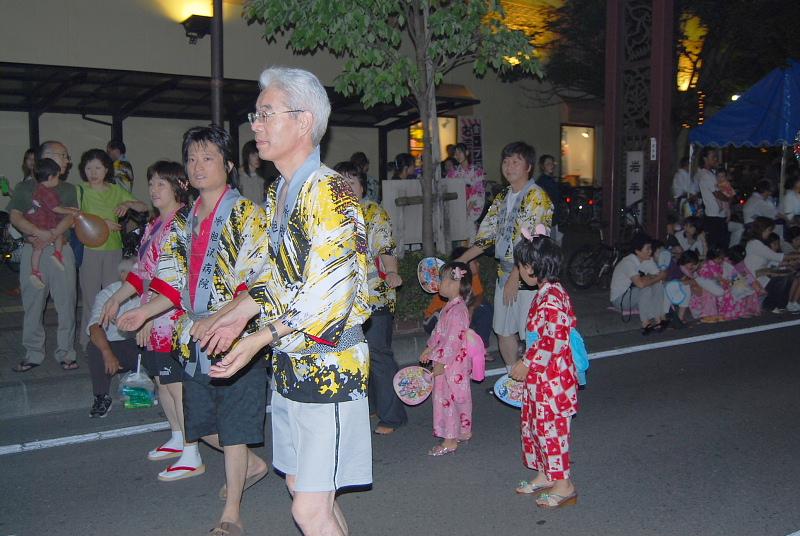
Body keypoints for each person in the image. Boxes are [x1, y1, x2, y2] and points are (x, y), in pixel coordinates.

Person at [188, 67, 372, 536]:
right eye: (256, 114)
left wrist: (257, 340)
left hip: (329, 365)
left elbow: (328, 295)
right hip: (291, 362)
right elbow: (278, 276)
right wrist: (236, 317)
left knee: (308, 509)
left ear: (304, 121)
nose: (256, 125)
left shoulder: (331, 192)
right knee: (302, 488)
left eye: (267, 113)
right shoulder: (280, 191)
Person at [117, 125, 271, 536]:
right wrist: (144, 312)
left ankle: (232, 514)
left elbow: (256, 281)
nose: (198, 166)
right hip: (195, 336)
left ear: (228, 165)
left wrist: (221, 318)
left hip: (237, 336)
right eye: (192, 159)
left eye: (208, 158)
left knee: (234, 428)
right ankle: (252, 465)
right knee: (201, 425)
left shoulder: (248, 214)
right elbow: (171, 281)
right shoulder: (184, 221)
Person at [99, 160, 203, 481]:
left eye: (161, 183)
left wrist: (146, 315)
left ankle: (192, 452)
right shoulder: (156, 224)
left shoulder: (181, 224)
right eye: (152, 183)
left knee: (176, 386)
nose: (154, 189)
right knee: (162, 382)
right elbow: (142, 271)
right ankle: (177, 436)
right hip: (154, 317)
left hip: (173, 318)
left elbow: (174, 280)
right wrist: (117, 298)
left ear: (178, 187)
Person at [456, 141, 553, 373]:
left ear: (528, 166)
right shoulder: (502, 197)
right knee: (503, 330)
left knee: (531, 333)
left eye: (516, 162)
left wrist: (515, 277)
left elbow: (533, 242)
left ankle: (533, 384)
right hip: (505, 273)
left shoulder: (537, 197)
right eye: (506, 162)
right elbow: (486, 237)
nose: (509, 167)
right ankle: (513, 379)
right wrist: (460, 260)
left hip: (529, 276)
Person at [334, 160, 407, 436]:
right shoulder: (332, 213)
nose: (346, 186)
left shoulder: (373, 212)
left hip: (374, 295)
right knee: (358, 355)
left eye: (351, 181)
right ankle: (373, 405)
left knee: (378, 353)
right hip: (344, 300)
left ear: (362, 186)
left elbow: (386, 246)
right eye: (340, 181)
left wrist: (392, 272)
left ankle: (393, 415)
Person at [510, 230, 579, 509]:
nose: (519, 270)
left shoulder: (552, 297)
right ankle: (545, 473)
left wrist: (527, 362)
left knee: (552, 430)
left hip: (554, 379)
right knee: (537, 426)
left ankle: (564, 484)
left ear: (531, 267)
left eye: (520, 265)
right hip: (543, 377)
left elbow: (554, 339)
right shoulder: (546, 293)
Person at [8, 141, 79, 372]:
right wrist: (37, 232)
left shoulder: (68, 189)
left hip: (61, 248)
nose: (68, 161)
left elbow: (71, 217)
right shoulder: (24, 187)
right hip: (33, 249)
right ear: (46, 156)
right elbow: (15, 216)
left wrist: (51, 234)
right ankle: (33, 352)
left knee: (66, 302)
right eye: (63, 155)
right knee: (32, 303)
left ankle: (66, 352)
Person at [76, 149, 148, 350]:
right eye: (89, 168)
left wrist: (127, 203)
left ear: (106, 169)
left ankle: (112, 340)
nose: (93, 172)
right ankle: (88, 342)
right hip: (89, 249)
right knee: (90, 298)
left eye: (98, 168)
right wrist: (102, 223)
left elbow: (143, 207)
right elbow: (74, 216)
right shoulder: (81, 190)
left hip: (113, 249)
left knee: (113, 296)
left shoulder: (116, 190)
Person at [419, 261, 474, 456]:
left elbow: (452, 340)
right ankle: (461, 431)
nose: (438, 283)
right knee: (454, 398)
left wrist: (441, 362)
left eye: (441, 280)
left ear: (454, 283)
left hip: (451, 365)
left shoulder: (457, 311)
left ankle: (450, 440)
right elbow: (439, 332)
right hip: (450, 362)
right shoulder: (450, 307)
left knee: (447, 399)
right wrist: (429, 348)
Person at [85, 257, 143, 417]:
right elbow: (94, 327)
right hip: (115, 345)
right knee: (95, 346)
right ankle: (101, 397)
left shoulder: (147, 293)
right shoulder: (108, 294)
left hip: (140, 344)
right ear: (124, 275)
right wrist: (107, 353)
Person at [423, 246, 493, 351]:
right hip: (436, 318)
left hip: (458, 315)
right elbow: (450, 309)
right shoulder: (452, 281)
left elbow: (479, 295)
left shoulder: (473, 277)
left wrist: (472, 308)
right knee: (453, 316)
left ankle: (481, 350)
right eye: (475, 262)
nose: (478, 264)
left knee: (484, 307)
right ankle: (443, 350)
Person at [24, 158, 75, 289]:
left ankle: (35, 271)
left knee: (37, 249)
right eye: (57, 177)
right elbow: (56, 208)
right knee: (59, 234)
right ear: (51, 177)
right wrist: (71, 211)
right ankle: (57, 254)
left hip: (35, 222)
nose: (58, 180)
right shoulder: (48, 192)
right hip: (46, 222)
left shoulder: (37, 189)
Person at [609, 233, 669, 334]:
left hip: (634, 296)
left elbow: (660, 279)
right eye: (647, 249)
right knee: (646, 289)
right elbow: (641, 284)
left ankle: (660, 319)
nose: (650, 251)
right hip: (620, 299)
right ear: (637, 251)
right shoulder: (628, 262)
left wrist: (657, 277)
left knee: (658, 285)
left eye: (651, 248)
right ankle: (645, 323)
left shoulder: (647, 260)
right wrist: (656, 277)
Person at [744, 217, 800, 312]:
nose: (769, 233)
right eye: (769, 230)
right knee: (783, 278)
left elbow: (776, 258)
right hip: (754, 279)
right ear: (763, 230)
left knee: (788, 276)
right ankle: (771, 305)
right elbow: (776, 256)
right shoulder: (755, 244)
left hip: (761, 276)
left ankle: (783, 304)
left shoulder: (757, 243)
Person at [446, 142, 487, 236]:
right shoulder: (453, 173)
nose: (457, 155)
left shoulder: (477, 171)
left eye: (460, 152)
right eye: (455, 154)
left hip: (471, 207)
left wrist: (469, 207)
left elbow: (479, 191)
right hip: (457, 207)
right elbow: (447, 188)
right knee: (458, 235)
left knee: (470, 233)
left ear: (467, 153)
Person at [696, 148, 730, 249]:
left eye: (716, 157)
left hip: (718, 214)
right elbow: (719, 194)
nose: (716, 159)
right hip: (714, 215)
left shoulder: (712, 173)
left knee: (721, 244)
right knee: (717, 246)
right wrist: (728, 197)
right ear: (705, 158)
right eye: (713, 157)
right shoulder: (706, 175)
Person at [536, 154, 564, 244]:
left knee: (554, 240)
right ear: (542, 166)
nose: (551, 165)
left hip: (552, 216)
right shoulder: (542, 181)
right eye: (548, 163)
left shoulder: (550, 179)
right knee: (550, 242)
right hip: (547, 218)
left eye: (552, 163)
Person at [239, 140, 267, 204]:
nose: (257, 158)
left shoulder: (261, 178)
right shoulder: (239, 178)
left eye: (259, 154)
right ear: (247, 156)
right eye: (253, 154)